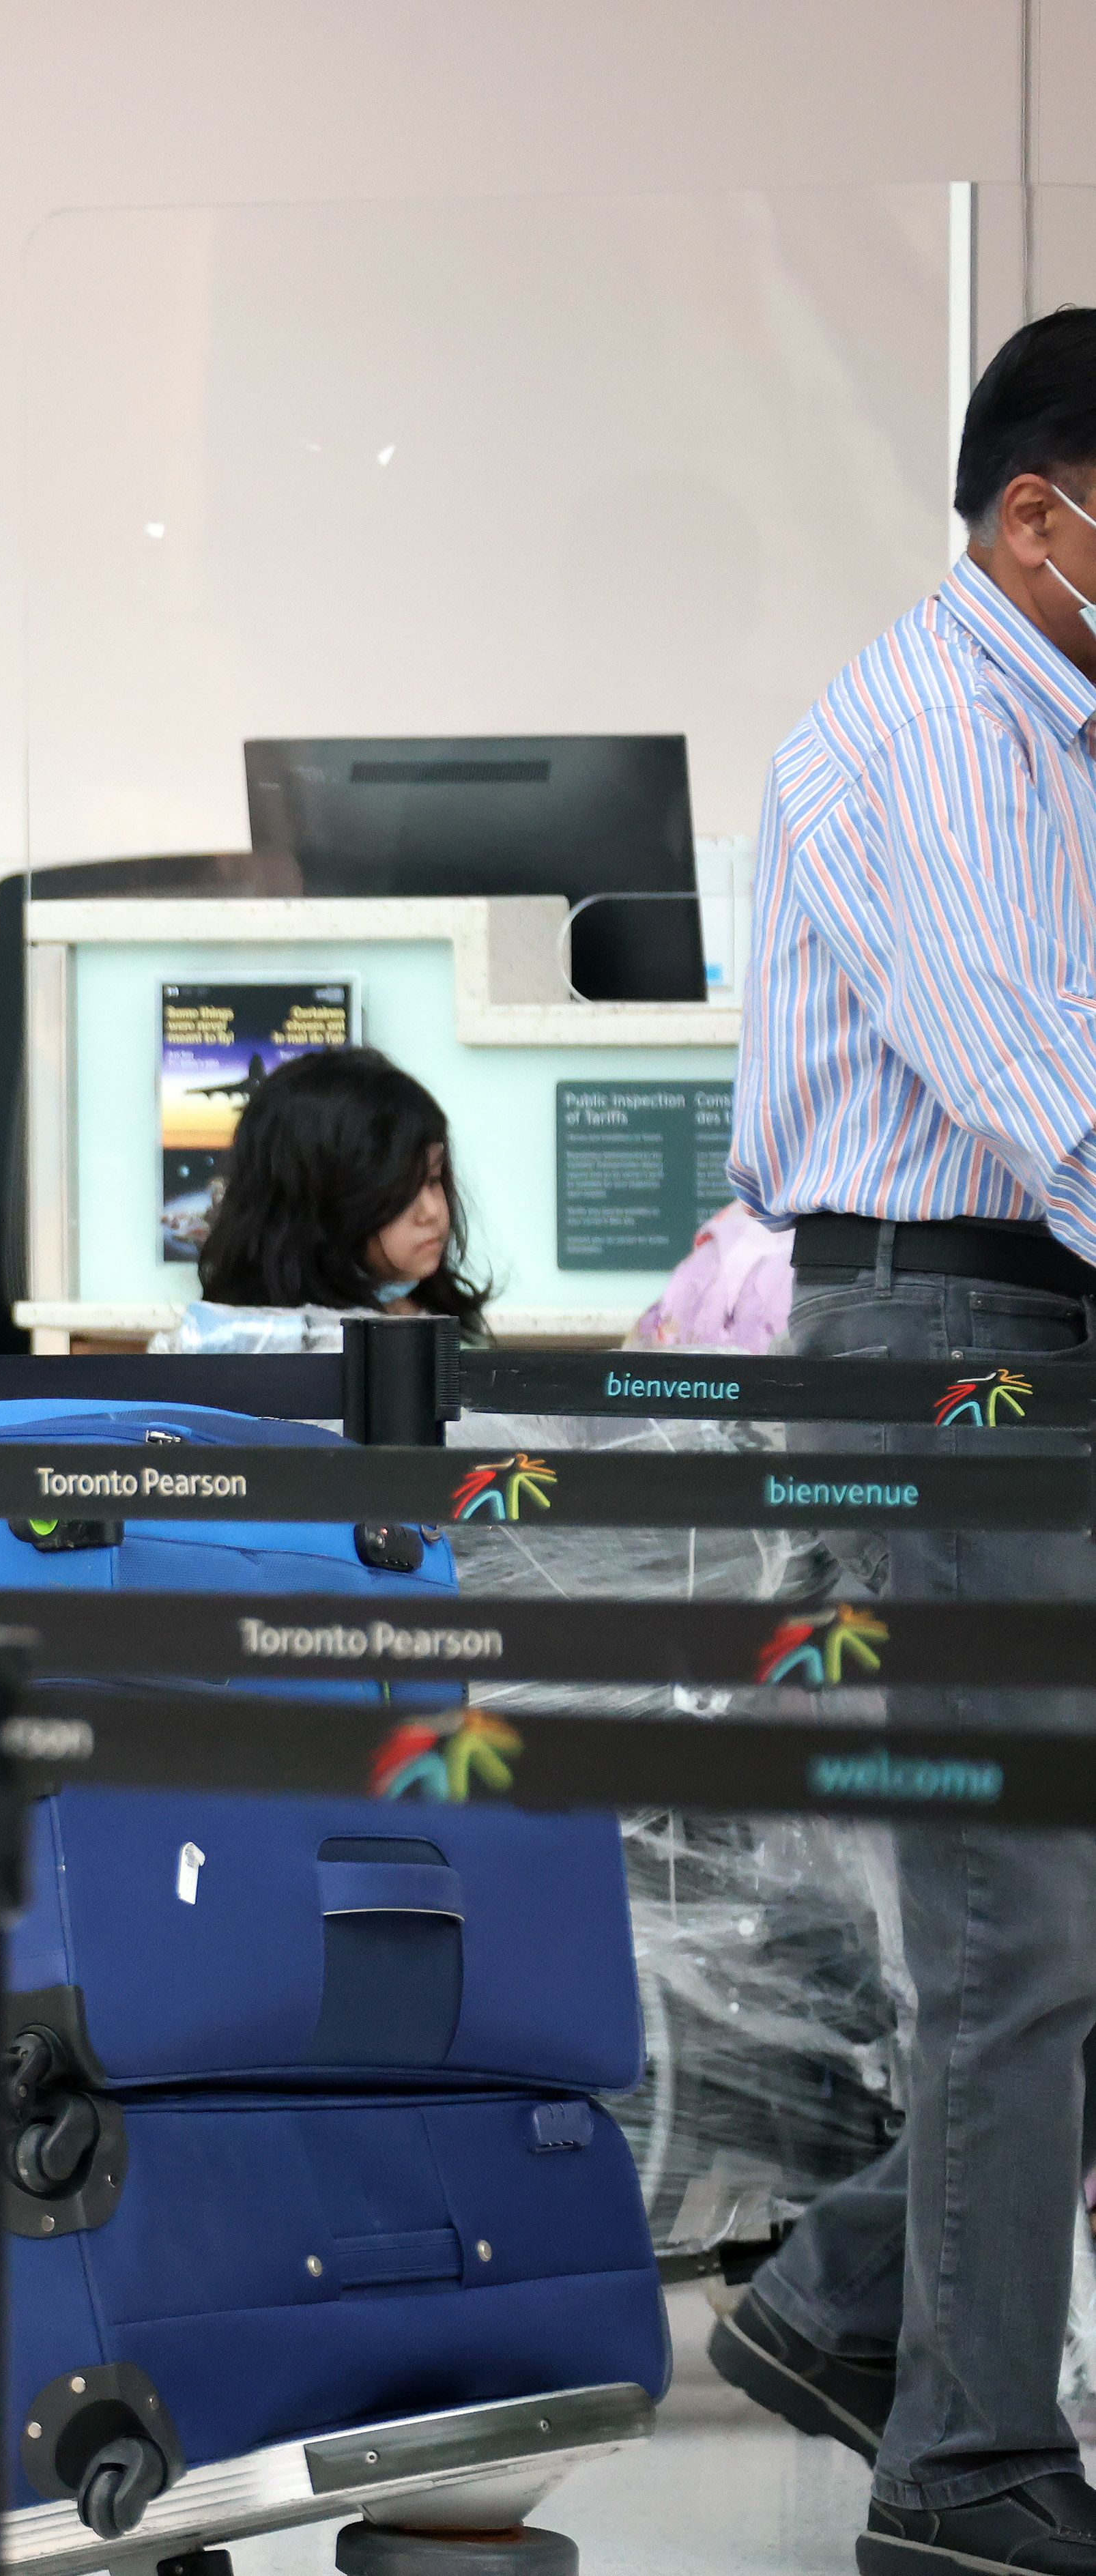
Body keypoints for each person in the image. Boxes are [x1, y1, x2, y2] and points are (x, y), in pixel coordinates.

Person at [713, 302, 1096, 2576]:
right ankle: (966, 2472)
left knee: (1057, 1917)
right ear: (1039, 512)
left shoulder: (1062, 735)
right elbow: (1039, 1084)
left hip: (1035, 1313)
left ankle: (847, 2297)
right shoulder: (936, 733)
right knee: (1012, 1923)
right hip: (948, 1332)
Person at [175, 1046, 489, 1345]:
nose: (431, 1212)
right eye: (400, 1192)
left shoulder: (448, 1334)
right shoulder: (234, 1343)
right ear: (318, 1204)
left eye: (433, 1180)